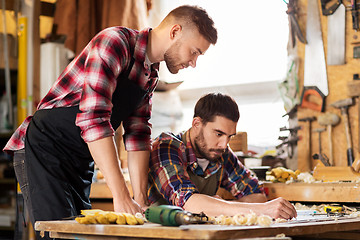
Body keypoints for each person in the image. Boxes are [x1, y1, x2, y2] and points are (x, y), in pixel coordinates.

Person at [3, 4, 217, 238]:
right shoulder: (114, 42)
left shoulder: (150, 74)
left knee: (80, 235)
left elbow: (138, 136)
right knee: (56, 233)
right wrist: (121, 194)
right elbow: (94, 119)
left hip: (79, 159)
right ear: (175, 32)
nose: (193, 63)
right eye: (194, 52)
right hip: (45, 149)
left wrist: (140, 200)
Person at [148, 93, 297, 219]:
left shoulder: (221, 153)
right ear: (196, 124)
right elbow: (189, 203)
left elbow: (256, 195)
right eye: (218, 134)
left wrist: (217, 206)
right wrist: (260, 210)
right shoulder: (167, 146)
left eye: (229, 136)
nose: (224, 144)